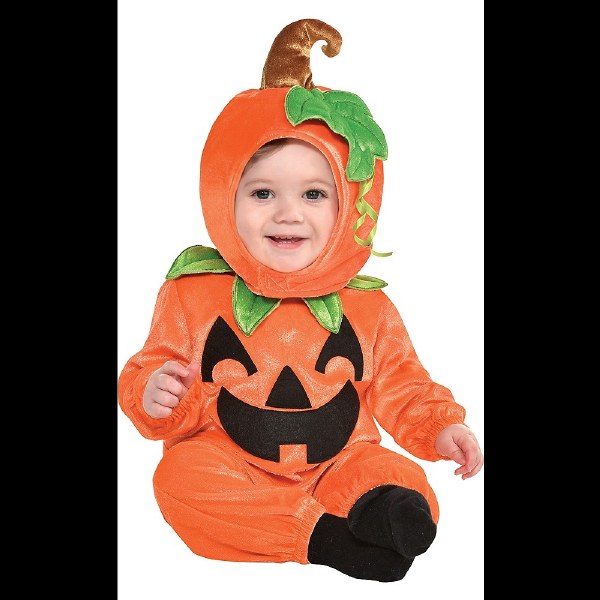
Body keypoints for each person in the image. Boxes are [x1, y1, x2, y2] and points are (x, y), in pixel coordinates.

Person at [118, 18, 483, 583]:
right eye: (263, 192)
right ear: (223, 195)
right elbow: (153, 369)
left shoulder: (368, 309)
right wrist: (156, 393)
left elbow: (403, 385)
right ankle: (325, 539)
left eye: (314, 193)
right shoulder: (192, 294)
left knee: (390, 472)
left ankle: (382, 511)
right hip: (230, 464)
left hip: (340, 463)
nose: (288, 213)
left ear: (352, 204)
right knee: (179, 481)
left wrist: (439, 428)